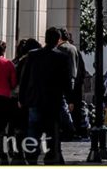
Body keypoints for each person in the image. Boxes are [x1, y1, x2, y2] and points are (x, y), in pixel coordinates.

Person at [18, 26, 74, 165]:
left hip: (35, 100)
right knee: (52, 131)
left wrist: (21, 98)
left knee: (33, 131)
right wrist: (70, 100)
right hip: (53, 102)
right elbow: (66, 81)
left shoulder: (33, 55)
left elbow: (25, 78)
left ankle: (31, 157)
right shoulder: (62, 57)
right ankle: (51, 157)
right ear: (57, 40)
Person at [10, 38, 41, 164]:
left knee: (20, 128)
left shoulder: (18, 62)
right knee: (31, 128)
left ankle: (19, 153)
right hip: (29, 99)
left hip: (20, 99)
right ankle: (29, 153)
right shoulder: (31, 61)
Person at [56, 28, 78, 141]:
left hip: (63, 79)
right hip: (72, 78)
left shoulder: (61, 49)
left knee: (63, 105)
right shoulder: (73, 48)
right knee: (69, 104)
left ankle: (69, 127)